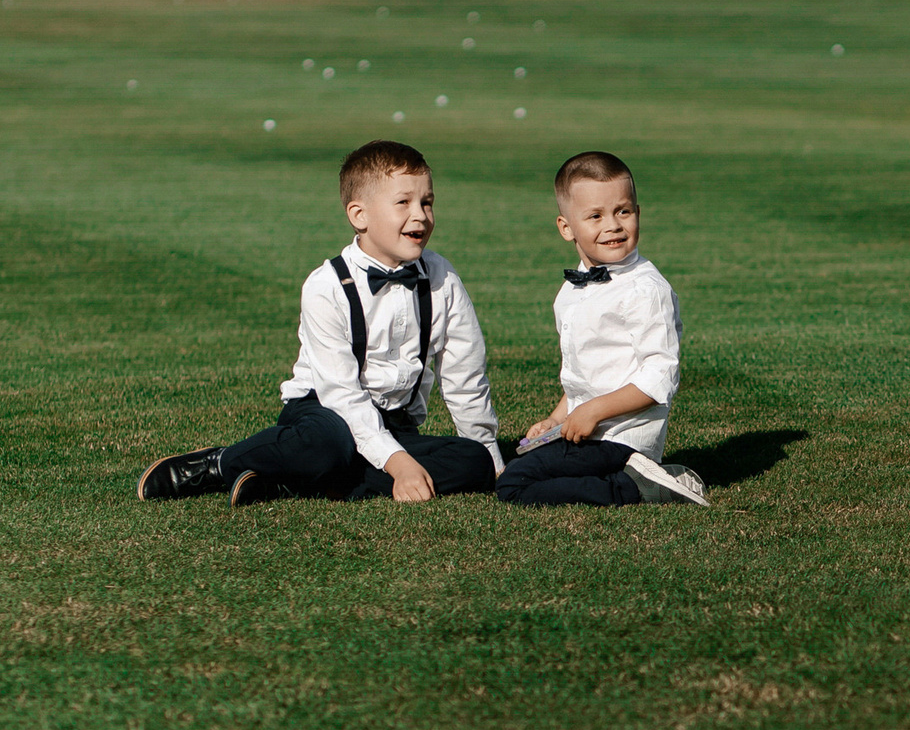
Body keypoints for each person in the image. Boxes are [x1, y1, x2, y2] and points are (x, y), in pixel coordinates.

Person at [138, 141, 503, 507]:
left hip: (394, 424)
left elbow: (465, 377)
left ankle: (295, 478)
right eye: (403, 203)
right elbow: (341, 396)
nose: (421, 215)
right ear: (359, 215)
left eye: (427, 202)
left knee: (472, 462)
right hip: (323, 411)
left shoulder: (443, 279)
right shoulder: (325, 286)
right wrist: (398, 463)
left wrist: (491, 457)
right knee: (332, 444)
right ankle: (219, 463)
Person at [495, 150, 708, 508]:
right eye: (595, 216)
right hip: (591, 435)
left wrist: (593, 411)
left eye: (623, 211)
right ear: (567, 228)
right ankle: (625, 478)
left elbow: (660, 376)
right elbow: (586, 376)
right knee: (524, 466)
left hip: (623, 438)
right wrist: (556, 418)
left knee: (513, 484)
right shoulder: (571, 292)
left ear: (638, 214)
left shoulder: (645, 290)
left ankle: (638, 487)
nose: (613, 225)